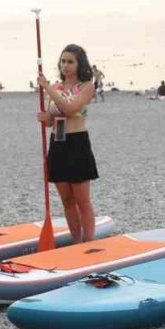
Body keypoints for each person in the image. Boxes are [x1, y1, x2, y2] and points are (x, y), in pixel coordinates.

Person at [37, 45, 98, 243]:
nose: (66, 65)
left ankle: (88, 241)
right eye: (63, 61)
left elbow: (70, 108)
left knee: (82, 200)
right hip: (58, 142)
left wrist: (47, 88)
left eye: (70, 61)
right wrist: (45, 118)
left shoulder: (87, 86)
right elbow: (51, 121)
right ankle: (75, 239)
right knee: (67, 200)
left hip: (77, 142)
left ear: (79, 63)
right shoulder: (56, 87)